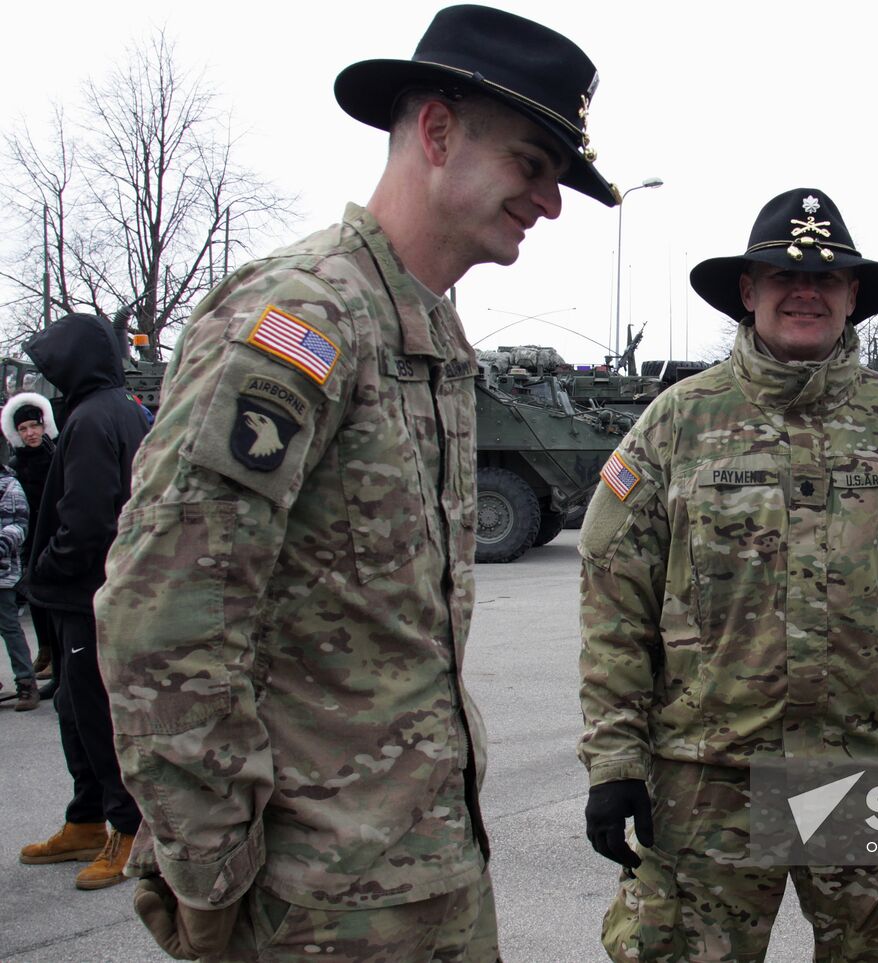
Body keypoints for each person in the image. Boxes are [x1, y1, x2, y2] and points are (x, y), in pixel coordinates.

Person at [94, 6, 617, 961]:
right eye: (532, 164)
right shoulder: (301, 318)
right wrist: (208, 868)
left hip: (429, 871)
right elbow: (165, 615)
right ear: (438, 132)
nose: (549, 203)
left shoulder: (430, 336)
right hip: (311, 903)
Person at [578, 188, 878, 961]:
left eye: (826, 279)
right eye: (783, 276)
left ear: (853, 296)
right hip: (710, 778)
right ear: (749, 292)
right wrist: (614, 759)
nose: (805, 292)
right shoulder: (679, 421)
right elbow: (616, 597)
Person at [17, 313, 149, 889]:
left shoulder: (94, 417)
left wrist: (48, 566)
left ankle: (126, 828)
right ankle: (87, 818)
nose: (48, 375)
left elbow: (90, 519)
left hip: (90, 590)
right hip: (100, 589)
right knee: (75, 708)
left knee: (96, 714)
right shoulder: (116, 409)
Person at [3, 391, 59, 699]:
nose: (30, 433)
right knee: (34, 597)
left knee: (52, 598)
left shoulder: (55, 455)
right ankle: (45, 651)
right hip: (29, 537)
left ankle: (55, 654)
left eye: (34, 426)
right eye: (23, 429)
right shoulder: (16, 464)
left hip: (53, 533)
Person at [0, 461, 36, 711]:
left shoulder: (9, 485)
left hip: (2, 574)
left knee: (9, 627)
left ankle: (26, 682)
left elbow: (18, 526)